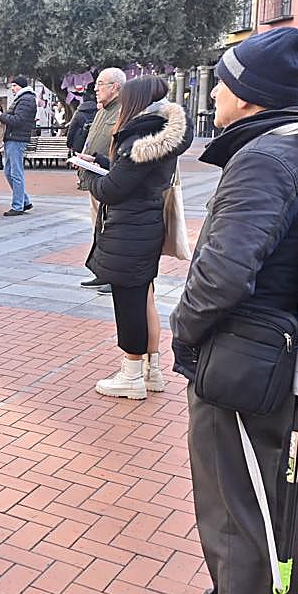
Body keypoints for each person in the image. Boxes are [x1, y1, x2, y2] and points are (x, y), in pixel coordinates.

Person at [143, 27, 298, 594]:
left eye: (224, 83)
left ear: (250, 95)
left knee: (236, 508)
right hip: (280, 351)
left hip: (242, 357)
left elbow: (225, 272)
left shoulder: (264, 158)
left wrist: (185, 332)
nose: (215, 95)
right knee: (275, 493)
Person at [79, 76, 192, 400]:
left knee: (128, 303)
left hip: (129, 231)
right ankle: (151, 370)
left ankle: (131, 375)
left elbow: (113, 189)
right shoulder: (158, 135)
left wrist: (89, 175)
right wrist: (104, 164)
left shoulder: (139, 139)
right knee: (144, 298)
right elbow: (129, 174)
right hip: (146, 226)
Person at [80, 68, 126, 292]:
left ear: (115, 87)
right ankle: (102, 272)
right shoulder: (102, 110)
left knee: (110, 228)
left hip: (108, 179)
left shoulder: (123, 111)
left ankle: (112, 276)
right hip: (93, 177)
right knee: (98, 227)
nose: (95, 88)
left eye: (100, 83)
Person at [0, 75, 37, 216]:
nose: (12, 88)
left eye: (14, 85)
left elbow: (18, 120)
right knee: (8, 172)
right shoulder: (22, 99)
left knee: (16, 173)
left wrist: (1, 116)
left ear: (21, 86)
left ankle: (18, 206)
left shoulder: (26, 99)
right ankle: (25, 201)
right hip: (12, 138)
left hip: (17, 139)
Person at [65, 85, 98, 154]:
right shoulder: (99, 112)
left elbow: (72, 129)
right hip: (93, 144)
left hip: (78, 144)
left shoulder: (78, 113)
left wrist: (69, 144)